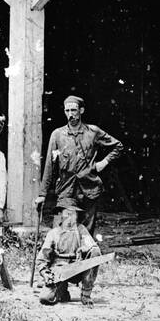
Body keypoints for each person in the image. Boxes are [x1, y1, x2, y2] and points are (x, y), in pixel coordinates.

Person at [35, 94, 125, 234]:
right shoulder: (57, 135)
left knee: (86, 232)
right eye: (67, 111)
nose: (70, 114)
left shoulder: (93, 132)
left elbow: (118, 146)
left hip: (89, 188)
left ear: (81, 111)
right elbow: (49, 166)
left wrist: (104, 162)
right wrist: (42, 194)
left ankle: (85, 255)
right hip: (66, 189)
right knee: (63, 229)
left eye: (74, 110)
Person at [35, 197, 102, 306]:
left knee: (95, 252)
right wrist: (45, 274)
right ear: (61, 214)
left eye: (73, 214)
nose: (71, 217)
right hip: (60, 270)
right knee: (46, 298)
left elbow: (92, 247)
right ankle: (62, 292)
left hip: (77, 268)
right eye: (68, 213)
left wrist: (84, 248)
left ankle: (86, 294)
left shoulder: (81, 229)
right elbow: (42, 258)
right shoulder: (53, 233)